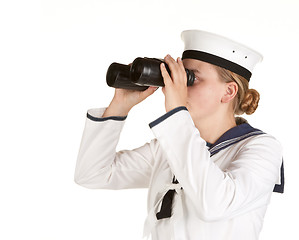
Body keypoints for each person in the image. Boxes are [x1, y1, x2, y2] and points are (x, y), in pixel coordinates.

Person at [74, 30, 284, 240]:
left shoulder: (261, 148)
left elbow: (214, 205)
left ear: (229, 92)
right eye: (179, 76)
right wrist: (120, 106)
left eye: (190, 78)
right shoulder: (168, 148)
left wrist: (176, 112)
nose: (178, 86)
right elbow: (92, 175)